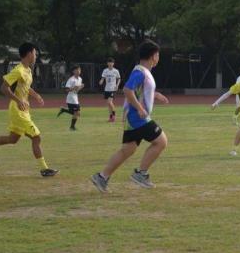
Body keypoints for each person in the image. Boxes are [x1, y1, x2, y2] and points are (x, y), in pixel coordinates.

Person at [90, 40, 169, 193]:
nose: (158, 57)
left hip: (133, 119)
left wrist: (155, 95)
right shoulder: (140, 72)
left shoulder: (143, 72)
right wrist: (139, 108)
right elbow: (127, 89)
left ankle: (102, 177)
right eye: (158, 54)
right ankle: (141, 174)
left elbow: (139, 91)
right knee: (161, 141)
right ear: (153, 56)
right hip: (138, 118)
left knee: (127, 150)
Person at [0, 43, 58, 177]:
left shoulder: (28, 70)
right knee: (36, 137)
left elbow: (26, 87)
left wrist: (36, 95)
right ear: (29, 54)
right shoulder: (18, 70)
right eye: (35, 53)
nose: (36, 56)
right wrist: (18, 100)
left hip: (23, 109)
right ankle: (44, 169)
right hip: (18, 110)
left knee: (13, 139)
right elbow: (4, 88)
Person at [57, 65, 83, 130]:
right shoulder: (71, 79)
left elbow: (77, 90)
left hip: (75, 98)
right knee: (76, 113)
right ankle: (72, 127)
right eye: (77, 70)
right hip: (71, 98)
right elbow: (66, 90)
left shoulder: (80, 79)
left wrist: (80, 87)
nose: (78, 71)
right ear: (73, 71)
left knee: (77, 113)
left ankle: (64, 110)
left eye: (79, 70)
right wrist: (74, 88)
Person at [99, 57, 122, 122]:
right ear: (107, 63)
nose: (110, 64)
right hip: (107, 89)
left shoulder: (116, 71)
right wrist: (101, 81)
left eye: (111, 62)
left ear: (113, 63)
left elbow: (119, 79)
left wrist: (117, 85)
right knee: (108, 104)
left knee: (110, 102)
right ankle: (110, 117)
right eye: (109, 62)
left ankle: (114, 116)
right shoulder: (105, 70)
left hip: (113, 89)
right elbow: (103, 78)